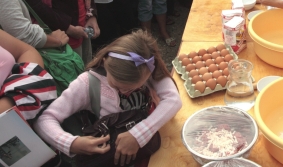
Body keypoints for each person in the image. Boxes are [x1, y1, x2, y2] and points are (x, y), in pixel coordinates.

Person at [34, 31, 182, 165]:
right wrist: (72, 143)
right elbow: (44, 119)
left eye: (137, 86)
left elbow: (173, 100)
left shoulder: (146, 67)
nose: (126, 91)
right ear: (105, 61)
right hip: (117, 158)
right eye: (117, 85)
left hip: (152, 144)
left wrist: (138, 135)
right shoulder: (86, 85)